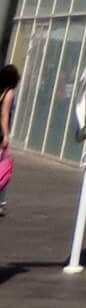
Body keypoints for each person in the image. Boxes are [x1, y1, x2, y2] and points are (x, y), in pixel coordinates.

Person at [0, 59, 18, 217]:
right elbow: (4, 115)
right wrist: (6, 135)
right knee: (4, 169)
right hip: (0, 134)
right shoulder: (9, 93)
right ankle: (1, 203)